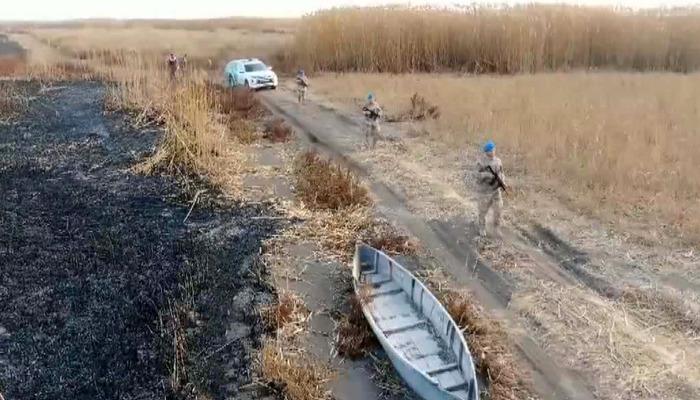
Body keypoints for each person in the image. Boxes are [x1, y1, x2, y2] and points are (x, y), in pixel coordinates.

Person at [475, 140, 506, 238]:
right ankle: (481, 227)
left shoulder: (498, 161)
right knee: (482, 211)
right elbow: (477, 175)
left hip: (496, 191)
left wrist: (502, 181)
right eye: (490, 151)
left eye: (493, 150)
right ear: (486, 152)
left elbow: (501, 172)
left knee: (498, 209)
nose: (492, 152)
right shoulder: (481, 162)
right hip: (484, 191)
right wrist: (487, 176)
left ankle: (496, 227)